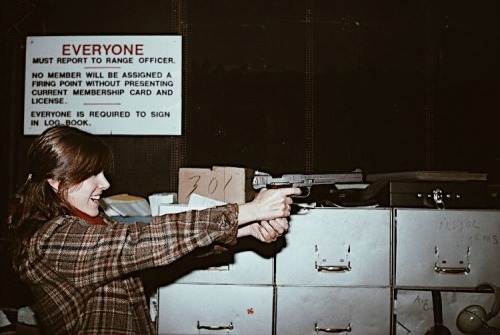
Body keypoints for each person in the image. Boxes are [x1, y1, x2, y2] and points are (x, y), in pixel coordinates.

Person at [9, 125, 300, 335]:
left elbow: (158, 251)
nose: (105, 184)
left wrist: (244, 230)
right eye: (90, 175)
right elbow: (138, 242)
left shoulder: (93, 227)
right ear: (56, 183)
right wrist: (246, 211)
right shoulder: (49, 240)